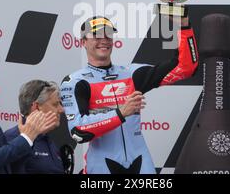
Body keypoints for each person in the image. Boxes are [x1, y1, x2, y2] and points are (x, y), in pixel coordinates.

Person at [60, 15, 199, 174]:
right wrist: (121, 113)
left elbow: (185, 68)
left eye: (108, 34)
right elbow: (78, 131)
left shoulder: (131, 74)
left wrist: (184, 27)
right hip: (102, 164)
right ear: (83, 42)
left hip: (140, 160)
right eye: (97, 35)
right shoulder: (75, 82)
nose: (104, 40)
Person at [5, 80, 68, 174]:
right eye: (55, 104)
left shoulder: (46, 137)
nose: (61, 110)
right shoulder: (12, 138)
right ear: (36, 107)